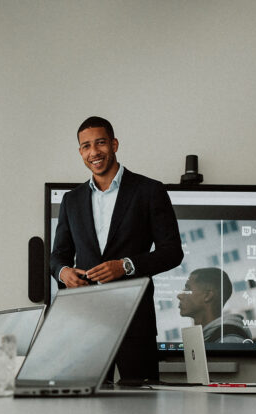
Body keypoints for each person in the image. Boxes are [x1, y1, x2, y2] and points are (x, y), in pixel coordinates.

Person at [49, 116, 183, 382]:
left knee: (142, 409)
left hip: (134, 320)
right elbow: (57, 256)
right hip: (85, 321)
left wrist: (126, 265)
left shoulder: (149, 190)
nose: (94, 152)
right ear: (80, 152)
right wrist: (64, 273)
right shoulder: (71, 200)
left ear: (114, 144)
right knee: (84, 409)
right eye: (86, 146)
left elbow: (172, 251)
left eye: (100, 143)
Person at [178, 268, 252, 343]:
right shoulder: (213, 338)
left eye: (188, 289)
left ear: (207, 296)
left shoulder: (229, 341)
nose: (179, 296)